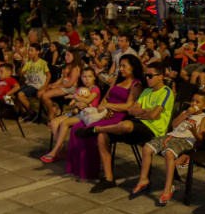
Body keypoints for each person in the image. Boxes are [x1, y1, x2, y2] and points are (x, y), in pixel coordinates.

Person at [79, 61, 175, 194]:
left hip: (154, 130)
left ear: (161, 76)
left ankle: (96, 129)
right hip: (138, 124)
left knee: (126, 124)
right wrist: (143, 111)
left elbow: (154, 115)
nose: (147, 78)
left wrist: (142, 111)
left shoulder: (166, 92)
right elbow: (131, 111)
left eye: (150, 76)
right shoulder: (146, 91)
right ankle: (108, 178)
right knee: (103, 136)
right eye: (146, 75)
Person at [66, 54, 144, 183]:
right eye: (120, 66)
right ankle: (79, 169)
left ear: (133, 67)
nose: (121, 69)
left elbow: (128, 106)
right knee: (76, 128)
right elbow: (106, 98)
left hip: (119, 116)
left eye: (124, 66)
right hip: (105, 113)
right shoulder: (118, 80)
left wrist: (108, 105)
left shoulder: (136, 84)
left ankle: (88, 172)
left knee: (90, 133)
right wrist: (101, 107)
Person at [133, 92, 205, 206]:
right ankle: (143, 179)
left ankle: (168, 187)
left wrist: (194, 132)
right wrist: (186, 114)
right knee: (147, 148)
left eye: (197, 102)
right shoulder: (185, 112)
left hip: (186, 140)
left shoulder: (203, 118)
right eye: (192, 100)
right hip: (171, 136)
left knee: (169, 153)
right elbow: (174, 124)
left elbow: (200, 139)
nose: (193, 103)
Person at [42, 68, 101, 162]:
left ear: (94, 77)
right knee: (53, 122)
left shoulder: (95, 89)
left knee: (64, 123)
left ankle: (54, 151)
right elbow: (73, 103)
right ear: (81, 78)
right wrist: (76, 103)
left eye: (90, 76)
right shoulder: (79, 89)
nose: (87, 79)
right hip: (76, 111)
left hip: (86, 114)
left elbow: (88, 101)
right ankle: (60, 149)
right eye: (84, 76)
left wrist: (74, 96)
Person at [39, 49, 81, 122]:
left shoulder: (75, 68)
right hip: (63, 85)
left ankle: (51, 115)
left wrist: (56, 86)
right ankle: (54, 109)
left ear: (74, 57)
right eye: (65, 55)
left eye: (68, 55)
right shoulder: (68, 66)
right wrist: (53, 84)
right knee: (40, 93)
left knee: (45, 96)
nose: (65, 57)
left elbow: (70, 84)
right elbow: (62, 78)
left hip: (69, 87)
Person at [15, 43, 51, 122]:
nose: (29, 52)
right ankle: (24, 112)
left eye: (31, 51)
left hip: (37, 85)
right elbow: (19, 73)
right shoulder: (29, 63)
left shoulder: (42, 63)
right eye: (29, 50)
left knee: (20, 95)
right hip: (29, 84)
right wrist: (22, 65)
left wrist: (45, 86)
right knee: (14, 95)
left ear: (38, 52)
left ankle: (32, 113)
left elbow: (49, 75)